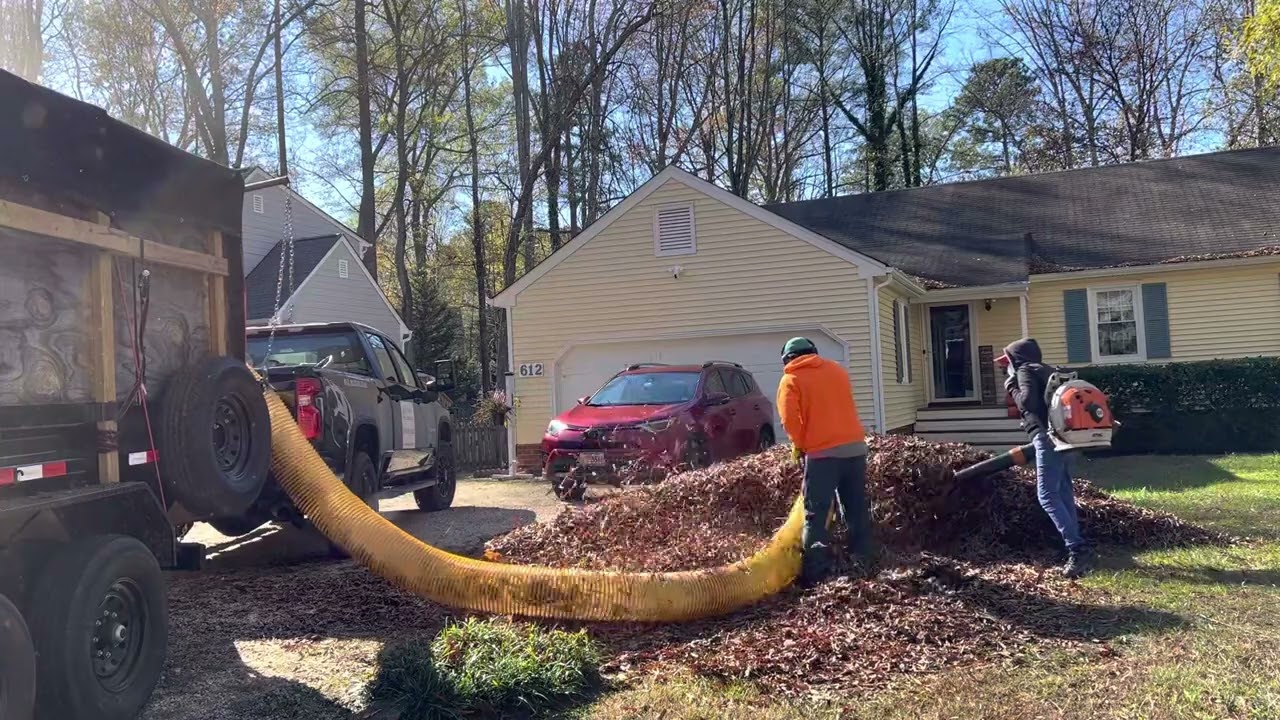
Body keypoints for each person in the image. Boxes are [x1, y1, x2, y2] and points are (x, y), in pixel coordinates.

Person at [776, 337, 876, 586]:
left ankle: (815, 574)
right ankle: (864, 560)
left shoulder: (791, 380)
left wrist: (800, 445)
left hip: (823, 455)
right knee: (855, 507)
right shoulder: (837, 370)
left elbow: (790, 420)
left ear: (788, 359)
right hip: (855, 449)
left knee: (816, 514)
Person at [1001, 337, 1095, 579]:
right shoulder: (1048, 369)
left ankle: (1077, 549)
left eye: (1008, 360)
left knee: (1047, 495)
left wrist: (1011, 385)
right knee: (1063, 491)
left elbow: (1029, 402)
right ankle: (1079, 545)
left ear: (1015, 358)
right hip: (1065, 436)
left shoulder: (1023, 370)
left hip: (1047, 437)